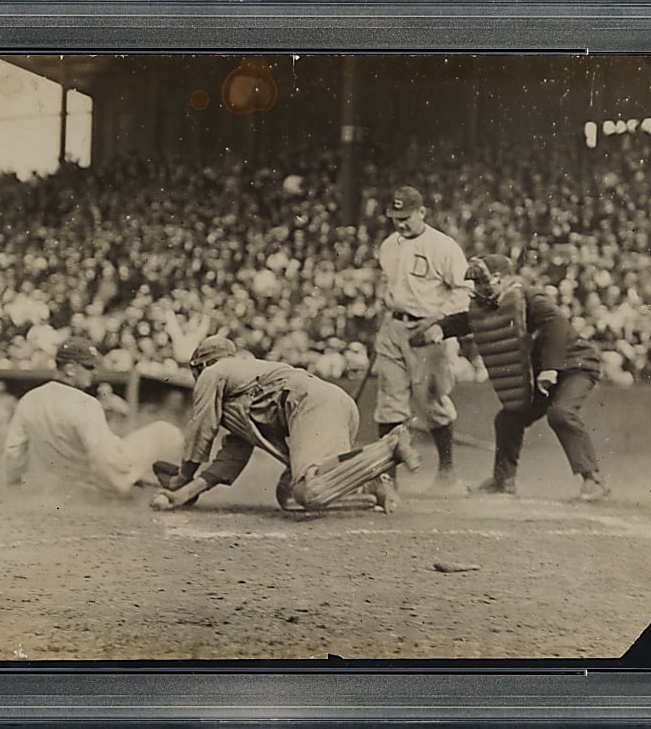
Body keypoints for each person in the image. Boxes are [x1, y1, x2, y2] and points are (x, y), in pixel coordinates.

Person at [414, 254, 609, 501]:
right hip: (541, 374)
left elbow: (556, 327)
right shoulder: (490, 307)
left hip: (574, 365)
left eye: (484, 282)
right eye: (476, 284)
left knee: (561, 413)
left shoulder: (531, 297)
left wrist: (551, 368)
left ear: (503, 279)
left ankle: (593, 479)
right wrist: (441, 328)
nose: (479, 289)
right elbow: (466, 321)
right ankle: (502, 482)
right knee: (508, 421)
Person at [151, 336, 420, 512]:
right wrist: (185, 493)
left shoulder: (214, 372)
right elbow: (230, 458)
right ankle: (371, 486)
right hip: (328, 401)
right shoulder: (242, 384)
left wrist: (182, 478)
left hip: (308, 404)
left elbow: (201, 429)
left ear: (203, 365)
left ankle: (388, 448)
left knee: (311, 490)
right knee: (291, 496)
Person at [373, 185, 472, 492]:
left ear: (422, 213)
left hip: (432, 332)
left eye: (406, 217)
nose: (401, 223)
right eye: (395, 217)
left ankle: (447, 474)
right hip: (395, 327)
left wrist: (437, 321)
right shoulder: (389, 245)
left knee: (432, 402)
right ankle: (388, 479)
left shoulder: (444, 247)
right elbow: (388, 284)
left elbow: (464, 291)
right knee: (390, 401)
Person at [2, 337, 183, 495]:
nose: (94, 372)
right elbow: (102, 456)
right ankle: (181, 488)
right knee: (165, 431)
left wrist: (14, 484)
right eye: (89, 366)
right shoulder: (85, 403)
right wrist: (122, 488)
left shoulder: (29, 399)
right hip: (96, 480)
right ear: (71, 369)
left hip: (64, 485)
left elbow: (13, 451)